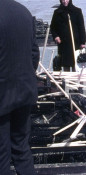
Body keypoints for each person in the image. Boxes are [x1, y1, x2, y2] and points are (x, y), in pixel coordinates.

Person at [0, 0, 40, 174]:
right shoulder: (23, 11)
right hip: (25, 89)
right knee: (21, 148)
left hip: (2, 93)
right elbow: (34, 53)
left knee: (1, 153)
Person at [50, 0, 86, 71]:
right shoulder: (57, 12)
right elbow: (53, 27)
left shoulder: (77, 11)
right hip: (63, 43)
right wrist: (56, 36)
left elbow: (81, 27)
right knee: (65, 63)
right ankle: (66, 80)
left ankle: (74, 79)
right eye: (63, 0)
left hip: (75, 42)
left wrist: (83, 42)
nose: (65, 1)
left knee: (75, 63)